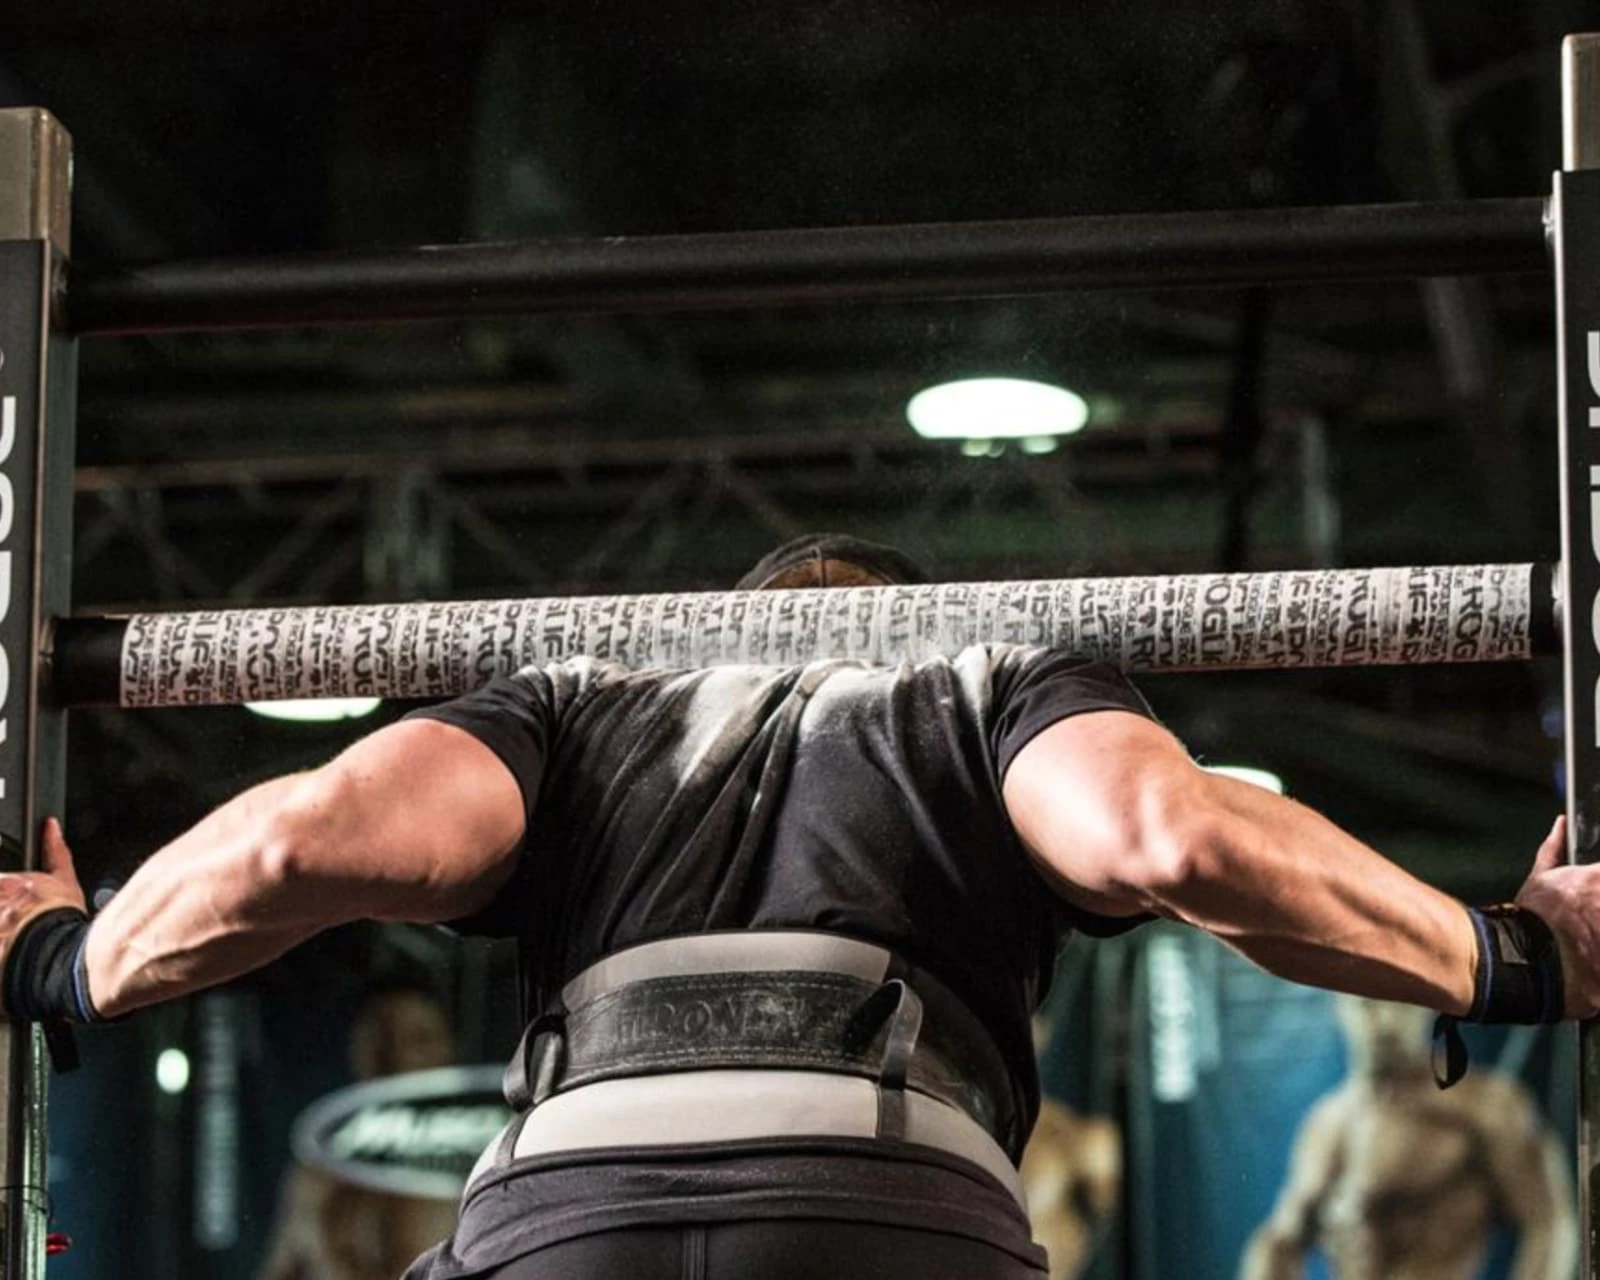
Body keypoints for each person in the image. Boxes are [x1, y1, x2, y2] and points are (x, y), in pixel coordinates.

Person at [0, 531, 1594, 1280]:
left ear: (721, 632)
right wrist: (1514, 955)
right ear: (918, 624)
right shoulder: (990, 680)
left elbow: (301, 844)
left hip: (571, 1209)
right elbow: (1172, 838)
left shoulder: (583, 698)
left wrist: (64, 962)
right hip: (892, 1201)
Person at [1239, 996, 1574, 1280]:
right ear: (1340, 1008)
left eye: (1401, 1003)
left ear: (1428, 1007)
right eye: (1367, 1005)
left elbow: (1549, 1221)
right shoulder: (1327, 1123)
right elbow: (1280, 1240)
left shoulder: (1485, 1107)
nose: (1386, 1021)